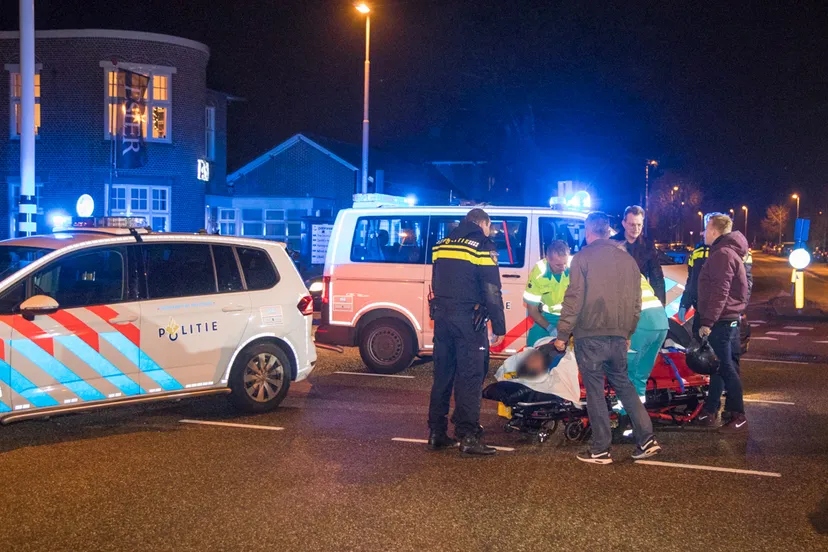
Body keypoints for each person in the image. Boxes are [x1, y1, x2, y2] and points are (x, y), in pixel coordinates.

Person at [553, 211, 661, 464]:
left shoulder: (582, 258)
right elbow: (636, 304)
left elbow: (574, 299)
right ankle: (647, 439)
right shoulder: (628, 260)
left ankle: (601, 449)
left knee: (594, 392)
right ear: (609, 231)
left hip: (590, 336)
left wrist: (562, 334)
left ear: (589, 231)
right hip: (618, 337)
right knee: (624, 385)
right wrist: (628, 333)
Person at [427, 208, 506, 455]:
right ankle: (468, 436)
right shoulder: (482, 245)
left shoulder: (442, 243)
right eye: (489, 227)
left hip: (442, 317)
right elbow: (492, 289)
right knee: (470, 377)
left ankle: (437, 432)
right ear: (482, 223)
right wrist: (499, 325)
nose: (488, 231)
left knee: (443, 375)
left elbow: (437, 279)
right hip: (468, 321)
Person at [695, 214, 750, 433]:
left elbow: (720, 291)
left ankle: (738, 413)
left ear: (715, 231)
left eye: (706, 229)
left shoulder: (722, 254)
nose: (703, 233)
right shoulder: (727, 252)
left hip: (722, 319)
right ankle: (710, 410)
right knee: (718, 366)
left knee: (725, 367)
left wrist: (708, 321)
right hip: (726, 317)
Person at [611, 205, 666, 304]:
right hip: (616, 301)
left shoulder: (648, 246)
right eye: (632, 224)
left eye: (639, 225)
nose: (636, 229)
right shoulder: (612, 244)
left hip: (639, 301)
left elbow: (657, 278)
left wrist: (660, 305)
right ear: (624, 224)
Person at [523, 240, 570, 346]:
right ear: (548, 259)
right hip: (548, 317)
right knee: (532, 347)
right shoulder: (539, 272)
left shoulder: (575, 267)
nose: (563, 268)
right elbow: (532, 309)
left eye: (565, 263)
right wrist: (550, 328)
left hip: (571, 316)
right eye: (558, 265)